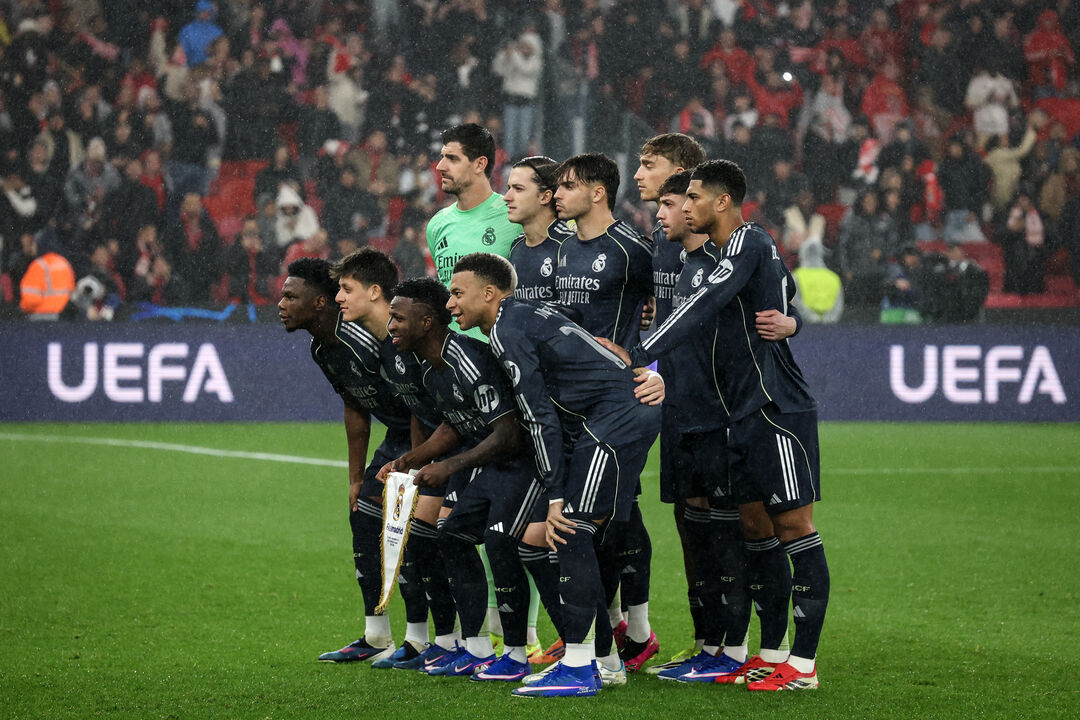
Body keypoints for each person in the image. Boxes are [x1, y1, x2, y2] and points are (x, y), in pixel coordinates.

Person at [614, 160, 829, 691]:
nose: (684, 207)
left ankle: (802, 665)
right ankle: (773, 651)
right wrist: (786, 311)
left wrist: (637, 352)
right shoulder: (724, 254)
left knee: (794, 529)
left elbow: (704, 304)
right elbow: (772, 297)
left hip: (775, 408)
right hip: (739, 411)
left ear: (723, 202)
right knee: (759, 531)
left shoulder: (748, 243)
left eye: (692, 198)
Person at [446, 252, 663, 697]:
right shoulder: (522, 315)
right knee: (563, 535)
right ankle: (605, 661)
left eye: (456, 293)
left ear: (489, 294)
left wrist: (556, 492)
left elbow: (539, 416)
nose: (451, 303)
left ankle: (581, 667)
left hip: (615, 419)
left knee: (568, 529)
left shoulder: (507, 330)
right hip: (611, 419)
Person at [382, 277, 541, 682]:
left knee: (499, 541)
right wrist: (409, 460)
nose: (392, 326)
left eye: (399, 318)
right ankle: (476, 648)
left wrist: (450, 467)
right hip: (489, 464)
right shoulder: (431, 370)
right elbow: (455, 426)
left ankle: (521, 653)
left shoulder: (467, 359)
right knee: (451, 536)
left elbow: (508, 433)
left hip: (522, 462)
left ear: (428, 322)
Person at [277, 257, 427, 665]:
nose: (281, 303)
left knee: (411, 529)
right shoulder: (320, 347)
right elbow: (355, 408)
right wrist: (355, 479)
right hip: (397, 438)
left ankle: (421, 639)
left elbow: (417, 398)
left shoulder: (367, 339)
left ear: (320, 302)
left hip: (426, 433)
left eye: (291, 296)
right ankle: (376, 635)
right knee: (363, 514)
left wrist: (413, 464)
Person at [552, 151, 658, 671]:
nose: (558, 195)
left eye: (568, 186)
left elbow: (671, 311)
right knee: (609, 519)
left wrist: (651, 365)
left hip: (620, 402)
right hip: (572, 401)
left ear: (598, 192)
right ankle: (620, 633)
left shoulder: (633, 249)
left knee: (605, 523)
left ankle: (611, 641)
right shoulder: (564, 249)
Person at [426, 123, 522, 338]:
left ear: (480, 164)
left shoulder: (514, 217)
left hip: (500, 352)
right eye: (442, 157)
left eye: (452, 158)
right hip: (453, 353)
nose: (440, 166)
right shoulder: (436, 225)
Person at [505, 156, 573, 302]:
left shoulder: (569, 245)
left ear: (545, 196)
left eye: (518, 189)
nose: (507, 197)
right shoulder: (516, 246)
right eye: (508, 188)